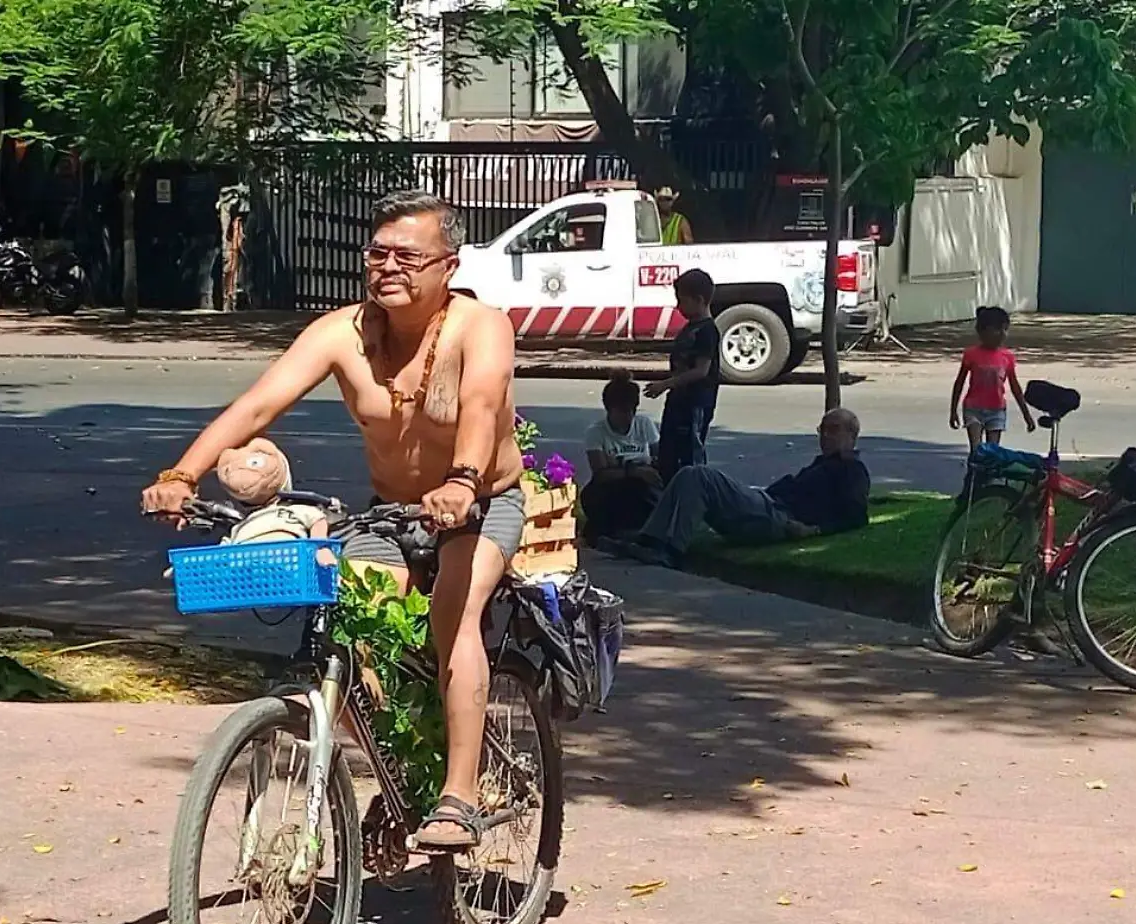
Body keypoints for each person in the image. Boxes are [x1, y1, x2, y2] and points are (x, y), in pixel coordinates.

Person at [141, 190, 521, 853]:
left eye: (409, 255)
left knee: (451, 618)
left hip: (480, 506)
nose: (389, 266)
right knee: (350, 634)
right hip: (395, 514)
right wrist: (181, 475)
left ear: (449, 266)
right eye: (378, 252)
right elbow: (258, 406)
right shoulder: (341, 333)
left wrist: (462, 483)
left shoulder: (480, 326)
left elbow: (483, 407)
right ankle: (401, 768)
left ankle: (458, 795)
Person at [606, 407, 871, 569]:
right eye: (822, 430)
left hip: (780, 517)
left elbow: (856, 516)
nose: (826, 436)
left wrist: (814, 530)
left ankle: (669, 550)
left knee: (700, 475)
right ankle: (649, 538)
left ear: (852, 435)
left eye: (834, 430)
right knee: (688, 474)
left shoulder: (851, 469)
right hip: (767, 503)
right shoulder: (824, 463)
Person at [646, 268, 719, 481]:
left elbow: (701, 370)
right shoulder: (690, 328)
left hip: (696, 401)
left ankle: (695, 490)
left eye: (682, 301)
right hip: (679, 398)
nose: (679, 307)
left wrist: (666, 384)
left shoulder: (707, 331)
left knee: (690, 452)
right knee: (669, 450)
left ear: (699, 299)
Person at [581, 371, 662, 543]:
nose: (627, 417)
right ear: (609, 410)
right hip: (613, 488)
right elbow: (601, 474)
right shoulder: (596, 433)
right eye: (621, 412)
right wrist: (634, 471)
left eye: (630, 411)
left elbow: (659, 457)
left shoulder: (644, 425)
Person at [949, 306, 1034, 452]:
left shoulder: (1007, 357)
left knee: (992, 452)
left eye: (1005, 329)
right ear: (982, 332)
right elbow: (959, 383)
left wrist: (1027, 415)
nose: (1002, 334)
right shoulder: (971, 354)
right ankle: (974, 473)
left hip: (997, 410)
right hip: (973, 409)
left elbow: (1015, 387)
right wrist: (953, 411)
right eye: (997, 330)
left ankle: (988, 475)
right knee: (977, 450)